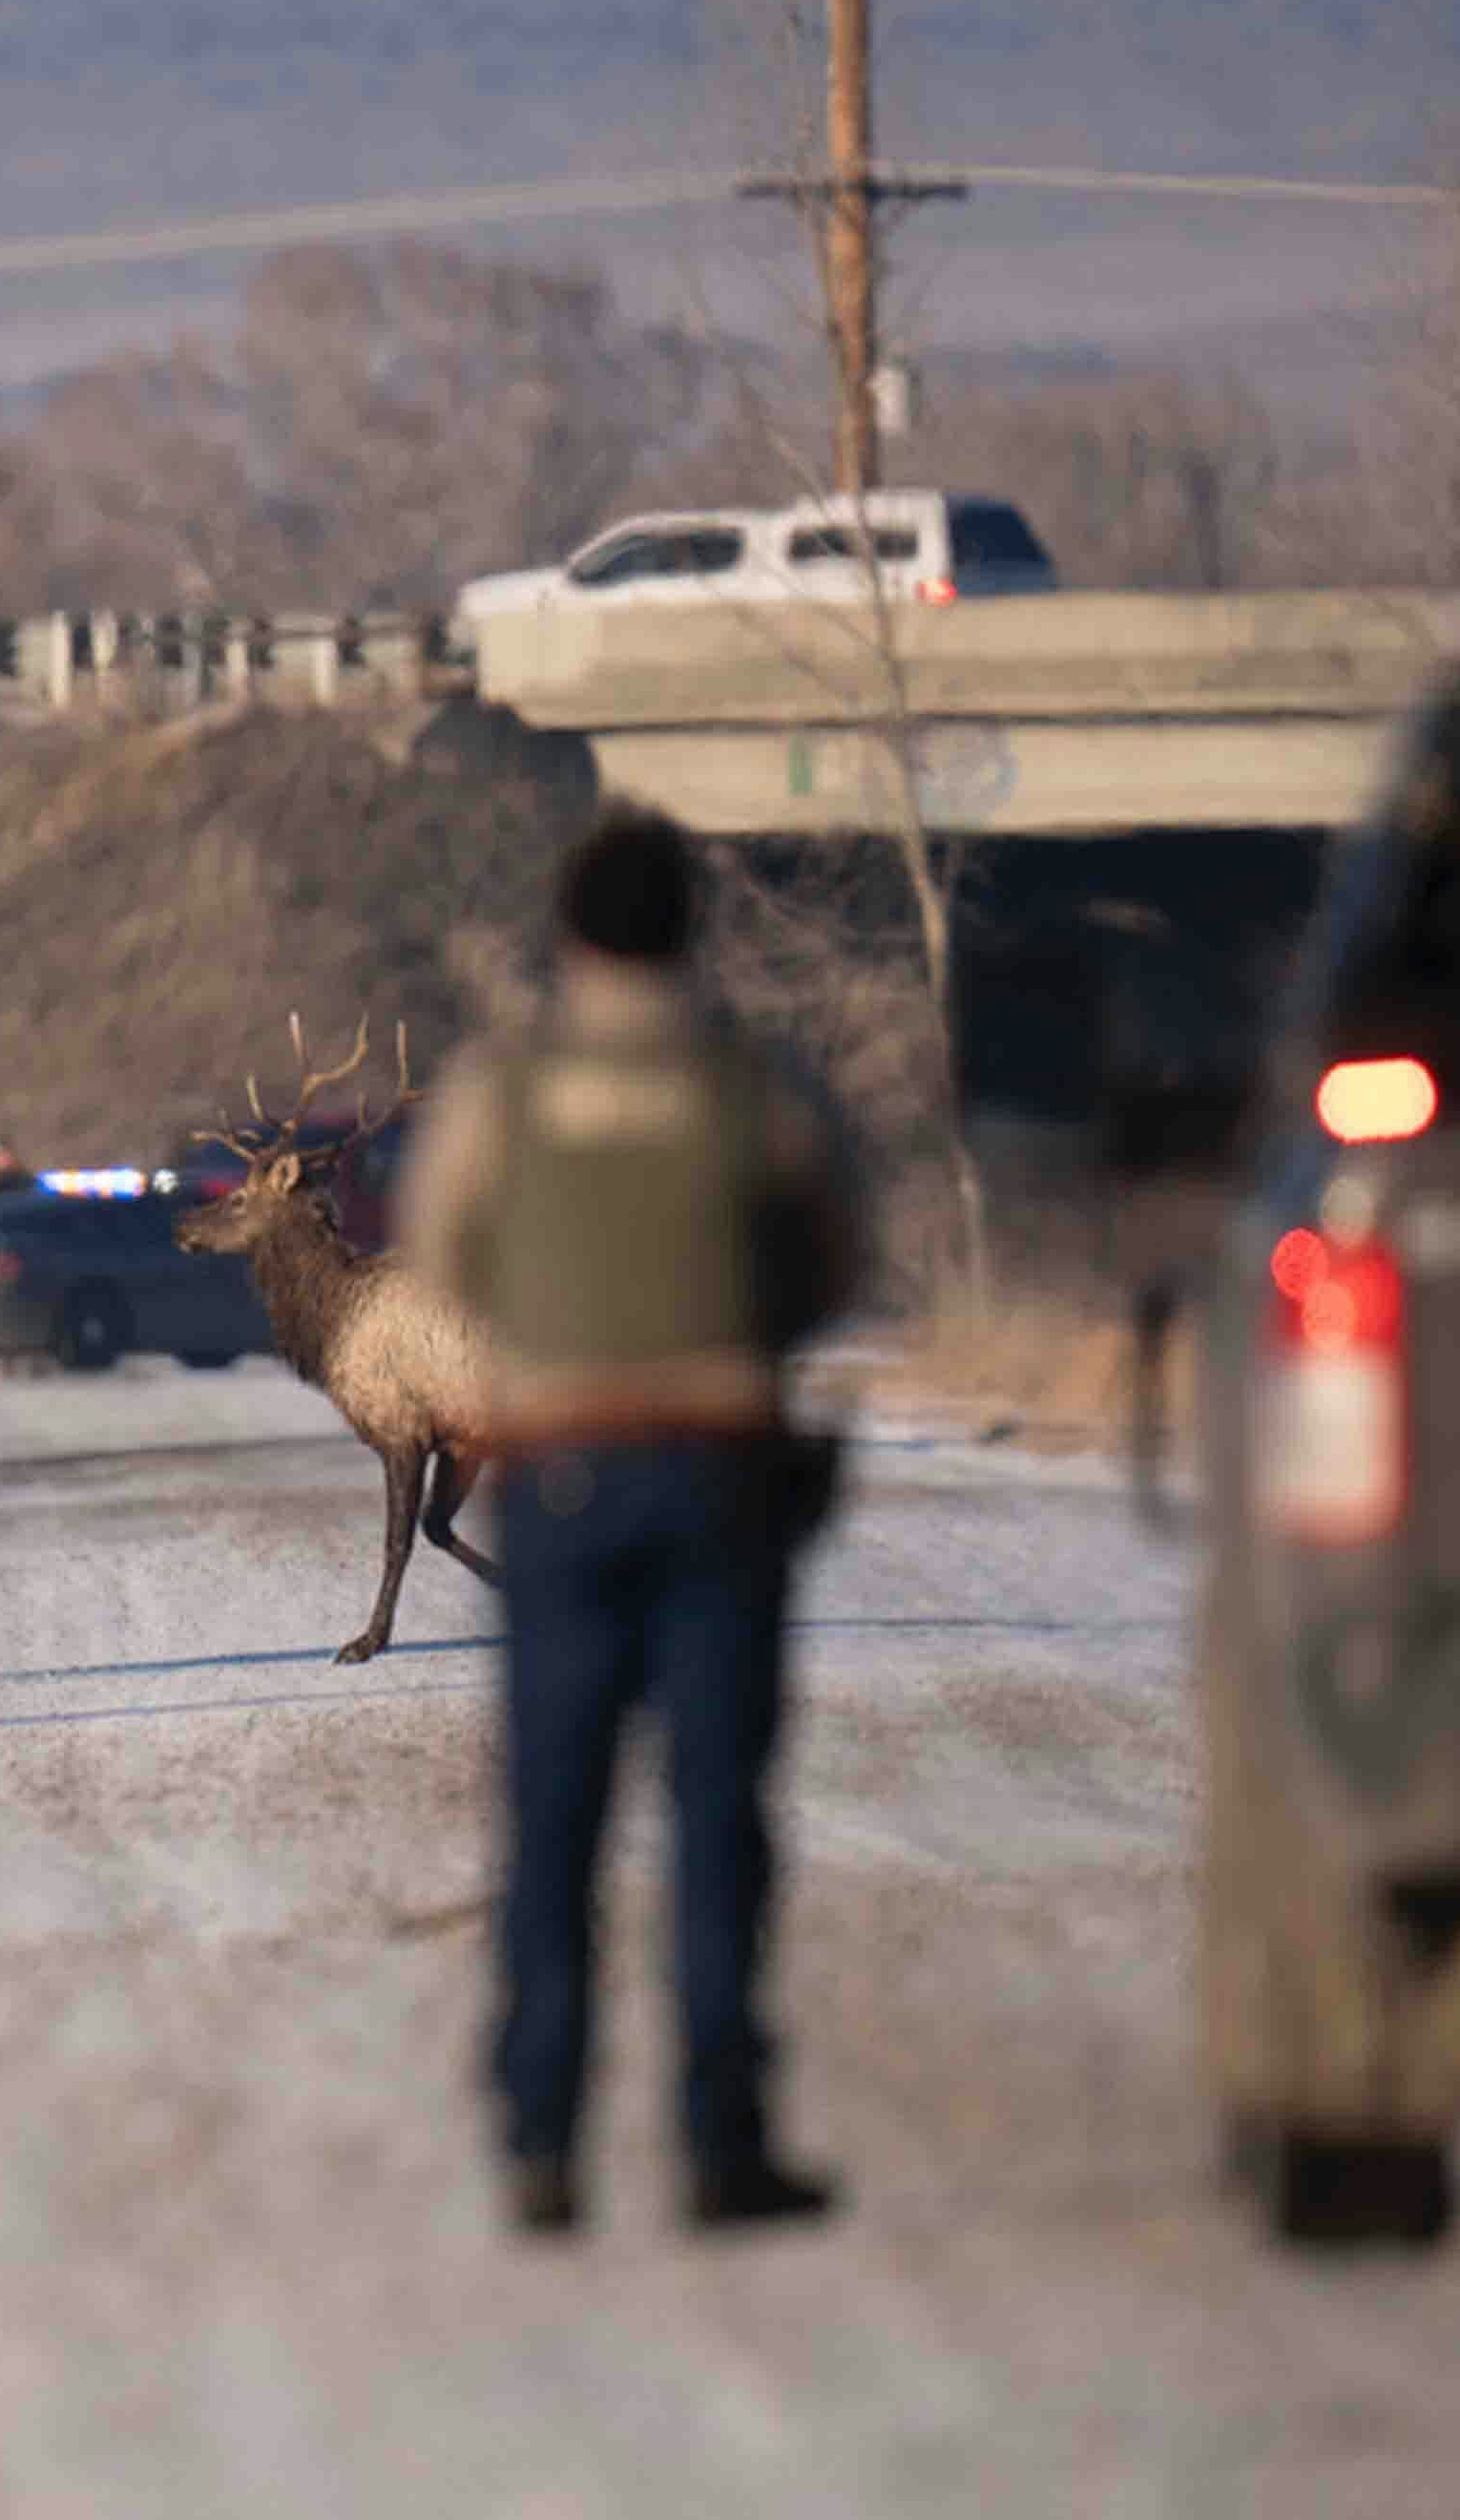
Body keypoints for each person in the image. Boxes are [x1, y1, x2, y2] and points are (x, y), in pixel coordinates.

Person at [398, 807, 870, 2240]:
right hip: (723, 1471)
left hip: (561, 1476)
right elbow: (838, 1253)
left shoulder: (504, 1088)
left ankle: (544, 2134)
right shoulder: (756, 1085)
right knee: (719, 1812)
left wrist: (551, 1342)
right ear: (693, 928)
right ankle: (722, 2137)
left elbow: (440, 1255)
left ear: (570, 933)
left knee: (554, 1813)